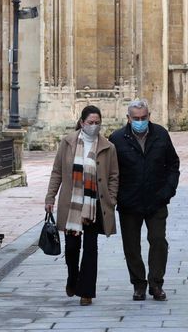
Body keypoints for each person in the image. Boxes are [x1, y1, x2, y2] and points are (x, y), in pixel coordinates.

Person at [45, 105, 119, 306]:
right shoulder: (67, 142)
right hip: (72, 205)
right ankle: (72, 277)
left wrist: (111, 198)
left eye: (97, 123)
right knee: (71, 248)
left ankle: (86, 291)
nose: (94, 126)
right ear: (81, 123)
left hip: (95, 205)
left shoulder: (107, 147)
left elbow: (113, 175)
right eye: (90, 123)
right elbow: (57, 172)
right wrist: (50, 197)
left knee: (90, 248)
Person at [108, 99, 179, 302]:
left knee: (158, 241)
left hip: (156, 199)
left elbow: (173, 164)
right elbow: (112, 170)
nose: (140, 121)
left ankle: (156, 283)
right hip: (129, 202)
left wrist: (168, 191)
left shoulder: (161, 134)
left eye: (144, 118)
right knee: (131, 246)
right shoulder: (118, 138)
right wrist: (118, 196)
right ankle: (138, 284)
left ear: (149, 116)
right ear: (128, 118)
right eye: (136, 118)